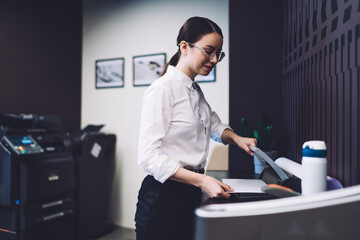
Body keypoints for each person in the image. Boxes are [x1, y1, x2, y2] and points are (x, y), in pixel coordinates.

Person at [135, 16, 257, 240]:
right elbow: (148, 157)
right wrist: (202, 181)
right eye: (208, 51)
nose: (214, 60)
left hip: (189, 191)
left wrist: (238, 139)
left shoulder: (194, 90)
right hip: (164, 196)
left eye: (218, 54)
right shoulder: (162, 89)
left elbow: (214, 125)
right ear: (184, 47)